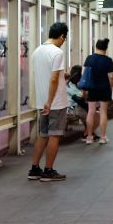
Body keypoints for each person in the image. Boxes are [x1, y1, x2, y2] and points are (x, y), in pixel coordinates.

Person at [29, 22, 70, 182]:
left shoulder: (37, 51)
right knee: (55, 135)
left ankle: (34, 169)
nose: (63, 42)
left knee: (43, 135)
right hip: (55, 102)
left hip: (42, 101)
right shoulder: (57, 53)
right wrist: (50, 101)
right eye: (64, 39)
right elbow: (53, 79)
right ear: (61, 36)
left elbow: (46, 75)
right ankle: (48, 170)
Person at [83, 38, 113, 145]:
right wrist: (111, 88)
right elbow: (111, 77)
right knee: (103, 112)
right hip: (104, 88)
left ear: (96, 47)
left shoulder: (89, 58)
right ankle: (102, 137)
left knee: (91, 111)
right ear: (106, 48)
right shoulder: (108, 60)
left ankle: (89, 137)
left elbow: (84, 73)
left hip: (92, 88)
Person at [67, 65, 99, 141]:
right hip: (70, 109)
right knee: (94, 114)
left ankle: (89, 132)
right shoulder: (70, 86)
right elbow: (81, 101)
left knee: (91, 111)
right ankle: (87, 134)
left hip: (74, 107)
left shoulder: (72, 84)